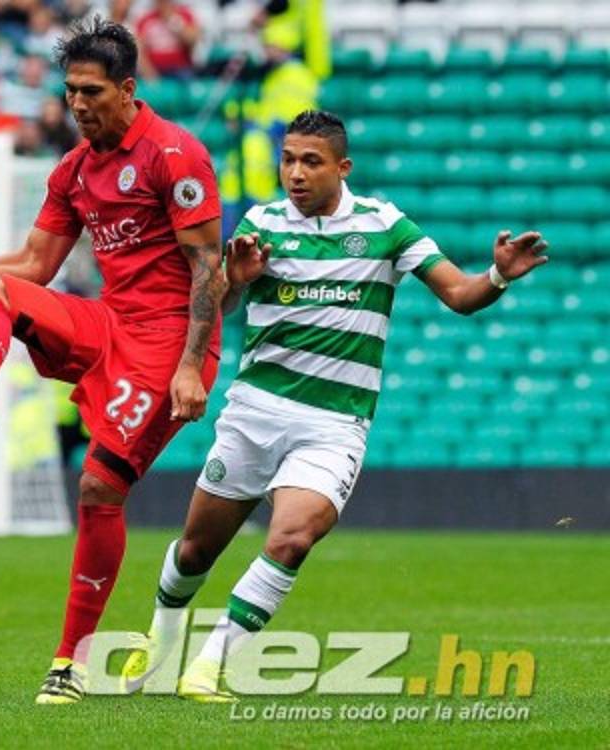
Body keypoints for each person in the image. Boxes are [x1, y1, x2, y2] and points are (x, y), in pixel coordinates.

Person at [122, 111, 549, 701]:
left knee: (293, 537)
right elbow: (213, 314)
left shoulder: (385, 225)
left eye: (310, 162)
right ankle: (161, 638)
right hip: (254, 413)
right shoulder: (260, 223)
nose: (295, 173)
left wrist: (497, 277)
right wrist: (236, 281)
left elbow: (459, 295)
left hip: (333, 424)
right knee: (196, 549)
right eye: (288, 159)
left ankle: (209, 664)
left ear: (342, 167)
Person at [0, 18, 224, 704]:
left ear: (127, 89)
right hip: (109, 323)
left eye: (91, 91)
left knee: (98, 489)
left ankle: (70, 660)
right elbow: (37, 264)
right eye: (69, 91)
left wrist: (189, 367)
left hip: (166, 344)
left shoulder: (174, 155)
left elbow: (207, 267)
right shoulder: (73, 169)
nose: (78, 104)